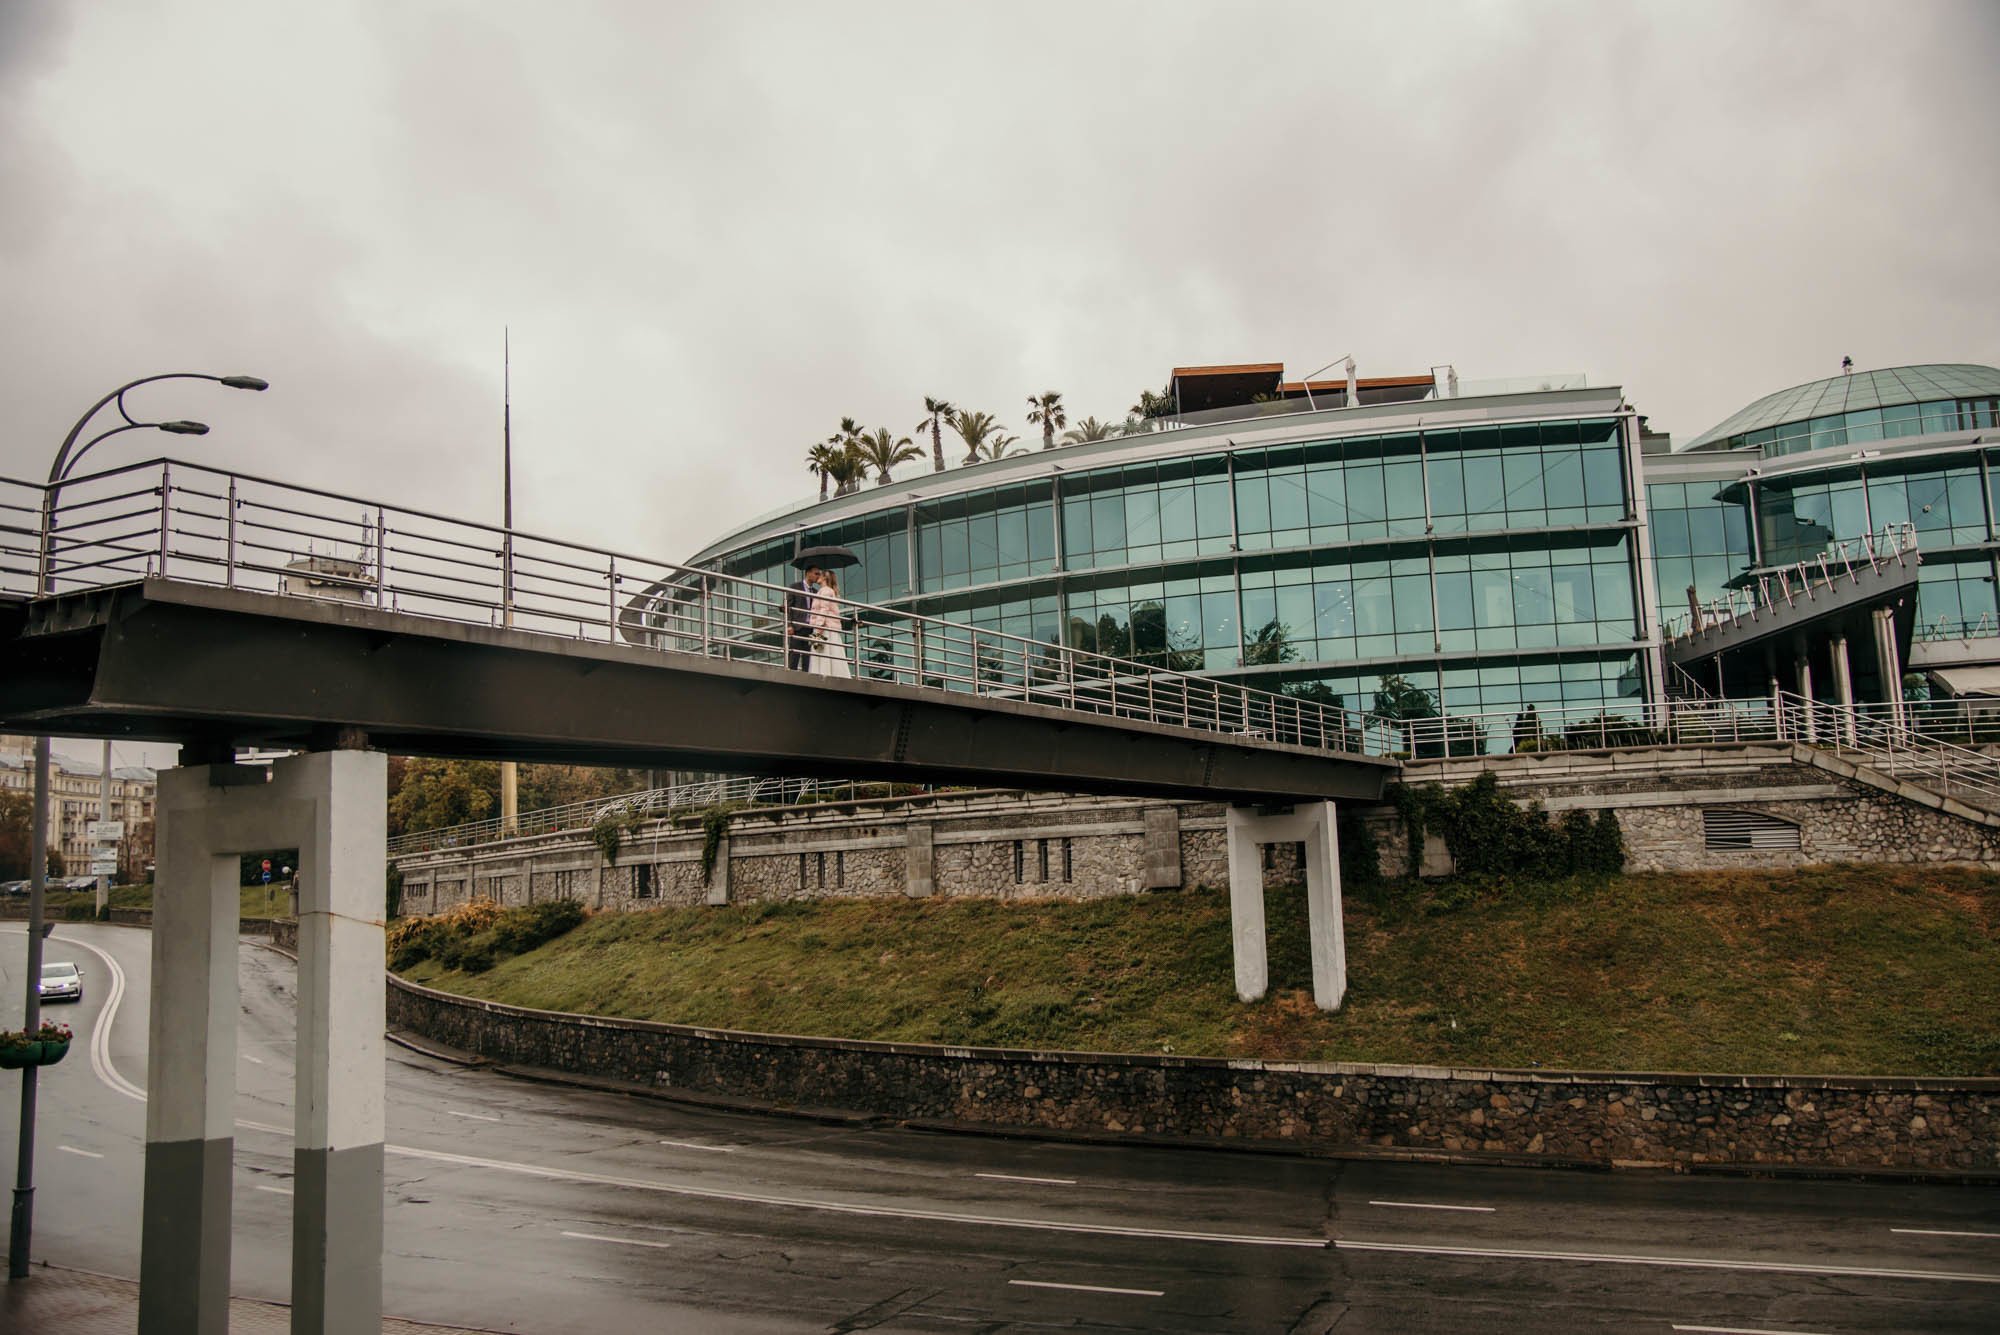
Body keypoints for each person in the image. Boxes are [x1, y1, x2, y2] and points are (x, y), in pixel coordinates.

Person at [808, 570, 853, 678]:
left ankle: (824, 675)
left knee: (824, 652)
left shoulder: (826, 591)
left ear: (824, 578)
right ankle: (827, 674)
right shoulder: (825, 591)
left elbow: (824, 609)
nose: (817, 576)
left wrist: (818, 627)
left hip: (825, 627)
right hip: (825, 626)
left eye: (820, 575)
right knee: (828, 652)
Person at [785, 563, 826, 670]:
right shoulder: (794, 587)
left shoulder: (817, 592)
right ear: (808, 573)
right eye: (816, 573)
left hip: (810, 629)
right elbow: (788, 608)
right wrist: (789, 625)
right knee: (794, 657)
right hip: (797, 627)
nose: (818, 576)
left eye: (819, 574)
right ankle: (791, 678)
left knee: (808, 659)